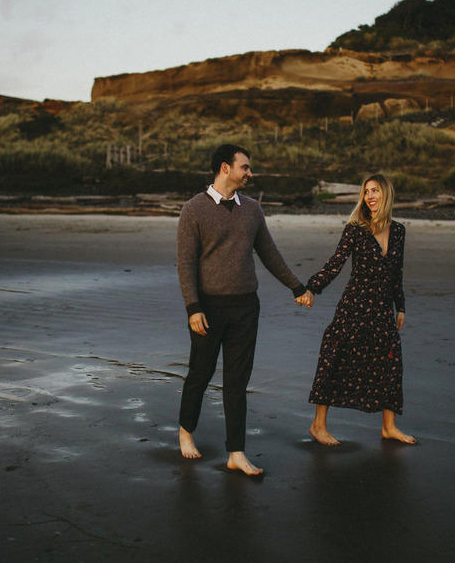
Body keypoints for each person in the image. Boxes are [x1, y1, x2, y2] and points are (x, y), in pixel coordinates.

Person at [177, 143, 314, 475]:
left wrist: (297, 286)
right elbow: (185, 264)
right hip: (209, 309)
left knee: (237, 381)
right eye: (245, 167)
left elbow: (269, 254)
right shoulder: (193, 209)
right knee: (201, 373)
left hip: (245, 308)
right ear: (226, 168)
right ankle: (185, 432)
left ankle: (236, 453)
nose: (249, 173)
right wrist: (193, 308)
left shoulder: (252, 209)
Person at [305, 173, 416, 446]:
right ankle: (318, 425)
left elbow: (395, 273)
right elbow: (335, 264)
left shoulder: (399, 231)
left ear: (386, 194)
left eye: (375, 191)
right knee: (334, 356)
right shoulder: (355, 228)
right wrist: (310, 288)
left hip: (382, 310)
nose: (370, 196)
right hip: (354, 306)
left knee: (391, 363)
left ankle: (389, 427)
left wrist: (399, 306)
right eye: (366, 192)